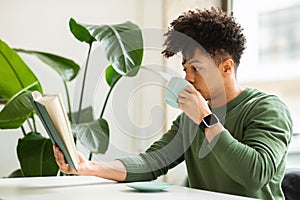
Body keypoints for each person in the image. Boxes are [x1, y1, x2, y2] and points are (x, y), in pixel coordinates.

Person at [53, 7, 293, 199]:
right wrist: (89, 167)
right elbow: (151, 162)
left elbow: (255, 174)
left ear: (226, 67)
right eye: (185, 69)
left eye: (196, 68)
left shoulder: (267, 109)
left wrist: (206, 119)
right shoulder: (191, 119)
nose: (188, 78)